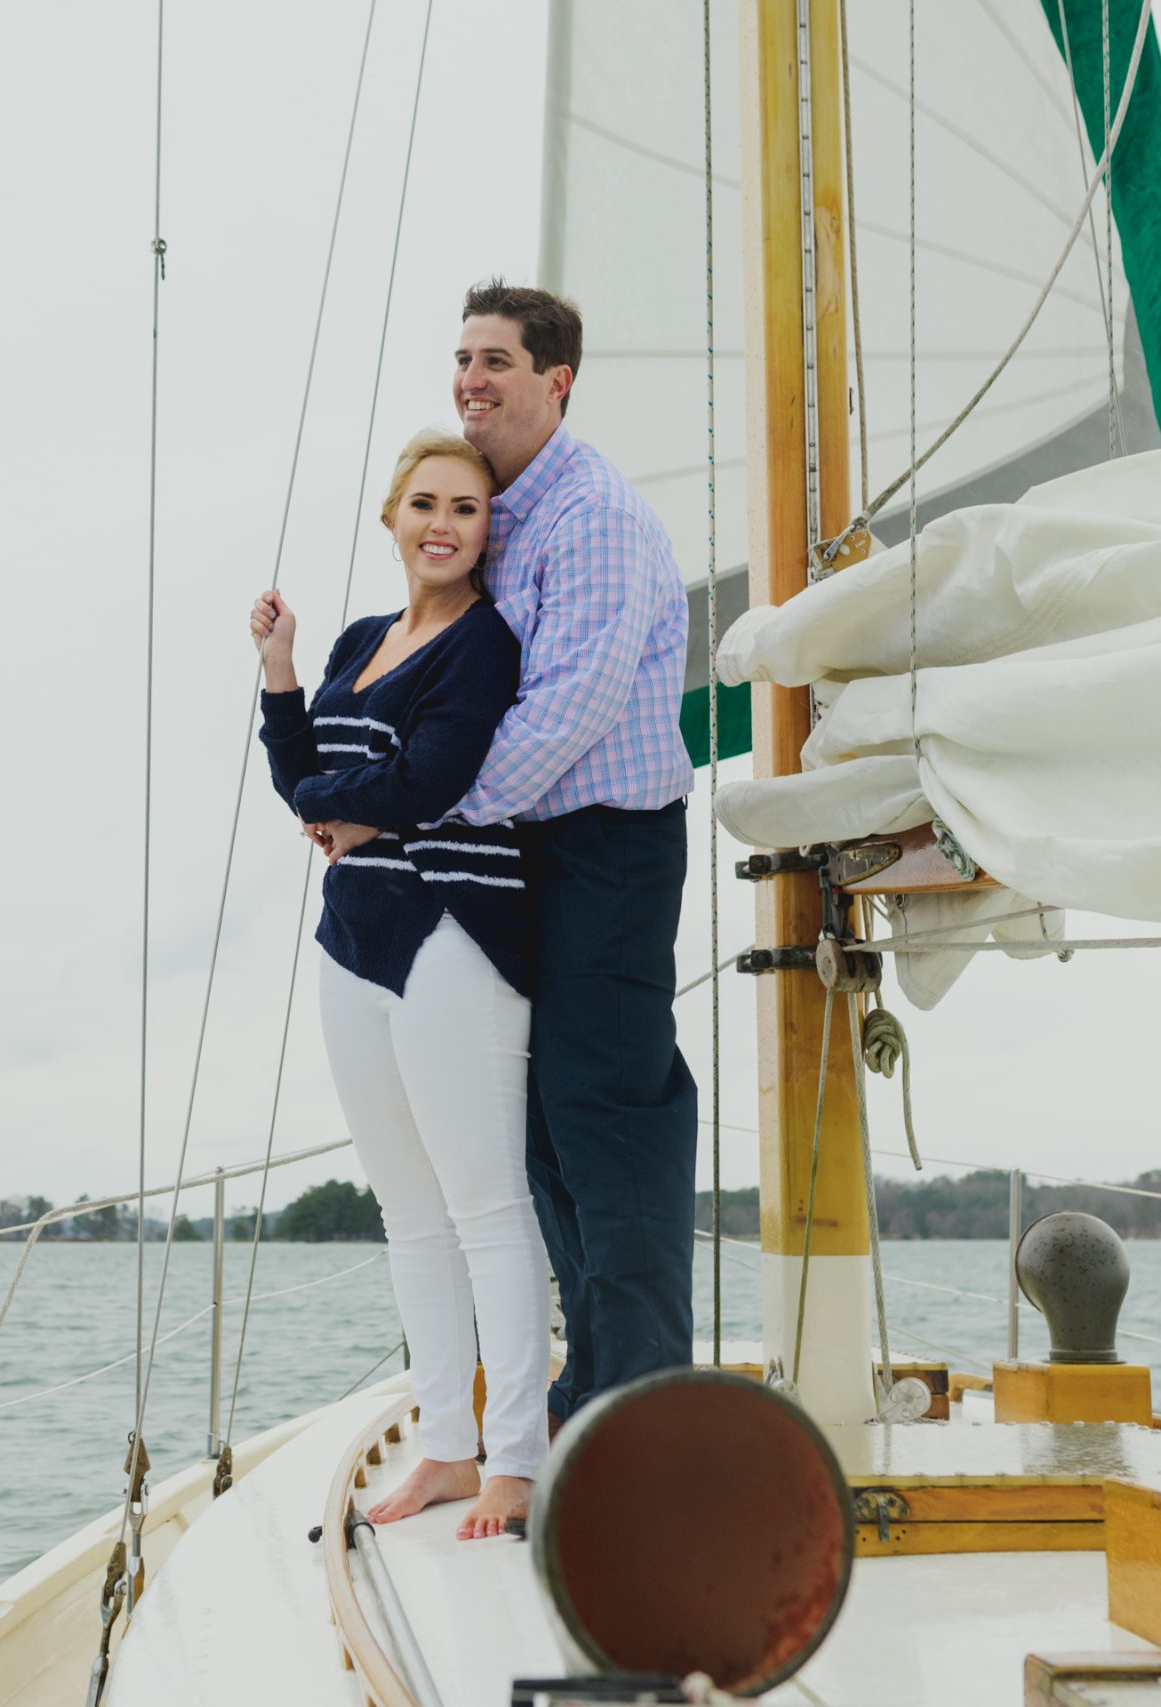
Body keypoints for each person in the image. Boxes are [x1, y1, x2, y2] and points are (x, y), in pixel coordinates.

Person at [249, 427, 549, 1539]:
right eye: (425, 504)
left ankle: (514, 1457)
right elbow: (298, 779)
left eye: (466, 509)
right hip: (352, 937)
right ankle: (444, 1448)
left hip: (452, 932)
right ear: (391, 518)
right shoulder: (363, 641)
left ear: (485, 532)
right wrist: (282, 671)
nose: (443, 523)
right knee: (408, 1215)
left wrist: (361, 801)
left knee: (483, 1205)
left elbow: (434, 777)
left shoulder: (486, 643)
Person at [450, 281, 698, 1431]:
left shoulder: (590, 514)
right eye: (461, 361)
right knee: (547, 1120)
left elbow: (570, 706)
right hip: (536, 849)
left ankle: (640, 1393)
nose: (470, 381)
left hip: (607, 845)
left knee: (607, 1109)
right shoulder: (506, 518)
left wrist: (440, 814)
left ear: (556, 381)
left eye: (495, 361)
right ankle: (592, 1375)